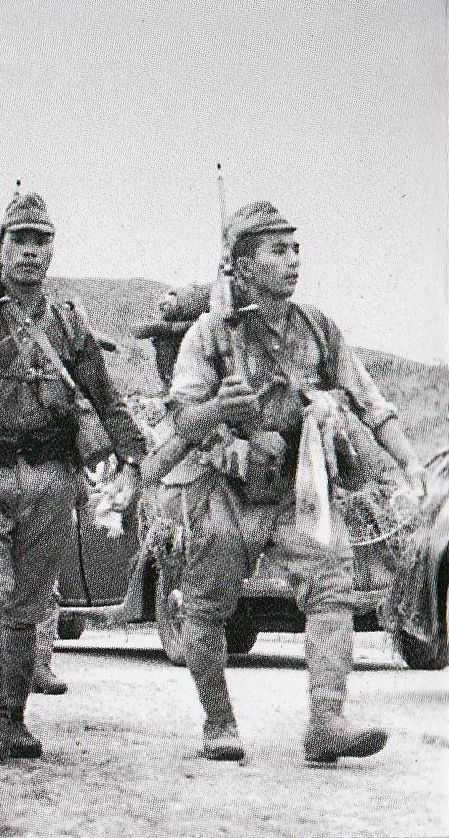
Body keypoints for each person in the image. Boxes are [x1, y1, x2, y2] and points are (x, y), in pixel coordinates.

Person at [165, 200, 426, 763]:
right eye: (278, 251)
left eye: (296, 249)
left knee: (332, 587)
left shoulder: (317, 327)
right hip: (228, 490)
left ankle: (327, 723)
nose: (293, 261)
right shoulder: (209, 335)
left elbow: (370, 401)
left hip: (297, 487)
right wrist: (219, 412)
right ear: (245, 263)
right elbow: (183, 418)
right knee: (207, 609)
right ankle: (218, 723)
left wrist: (406, 462)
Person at [0, 190, 145, 764]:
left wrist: (133, 450)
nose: (30, 251)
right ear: (0, 247)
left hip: (49, 478)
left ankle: (13, 717)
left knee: (29, 604)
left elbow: (103, 391)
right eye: (19, 239)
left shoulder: (68, 320)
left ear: (52, 252)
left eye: (41, 241)